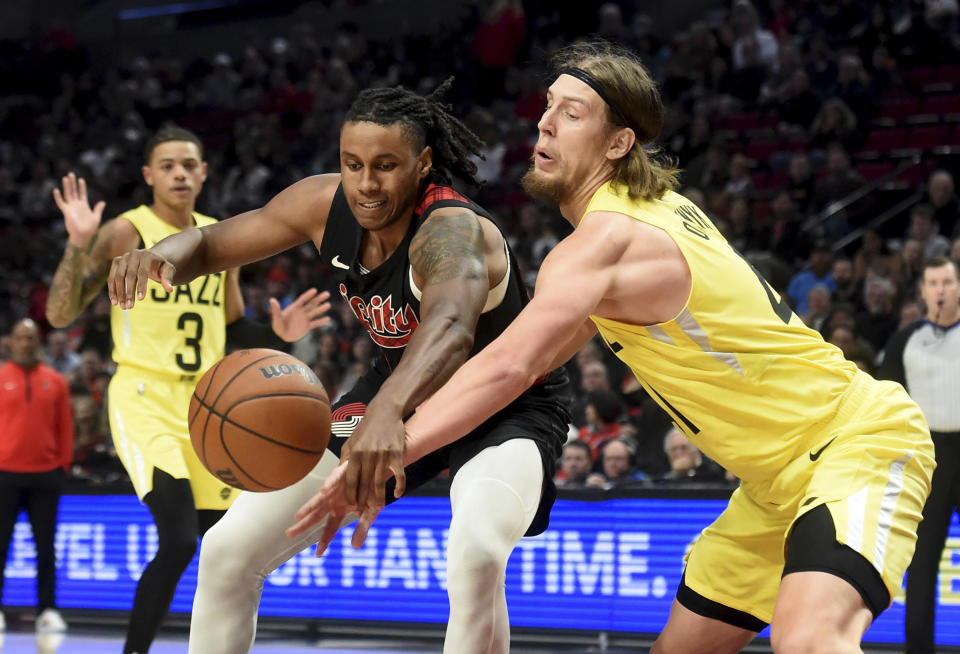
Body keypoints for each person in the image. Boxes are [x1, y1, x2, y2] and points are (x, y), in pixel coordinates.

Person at [298, 41, 936, 654]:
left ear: (618, 142)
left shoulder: (605, 243)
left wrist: (386, 451)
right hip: (773, 486)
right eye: (547, 106)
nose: (545, 124)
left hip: (856, 442)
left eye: (571, 114)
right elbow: (525, 364)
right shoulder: (651, 214)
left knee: (810, 639)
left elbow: (509, 364)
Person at [106, 82, 570, 654]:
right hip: (395, 390)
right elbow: (208, 244)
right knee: (227, 551)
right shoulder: (323, 206)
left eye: (385, 166)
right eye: (353, 165)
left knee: (476, 551)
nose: (366, 183)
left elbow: (450, 330)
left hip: (507, 407)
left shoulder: (452, 232)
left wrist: (387, 411)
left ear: (423, 163)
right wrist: (162, 255)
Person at [44, 125, 330, 654]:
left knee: (225, 545)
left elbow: (232, 328)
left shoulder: (216, 238)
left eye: (189, 164)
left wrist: (279, 335)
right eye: (168, 165)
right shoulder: (128, 231)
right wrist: (79, 241)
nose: (180, 172)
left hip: (206, 406)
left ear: (203, 173)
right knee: (177, 540)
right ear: (149, 175)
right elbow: (60, 314)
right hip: (143, 397)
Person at [879, 256, 960, 654]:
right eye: (934, 283)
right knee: (922, 561)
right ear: (923, 291)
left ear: (958, 286)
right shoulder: (903, 341)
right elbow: (888, 403)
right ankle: (918, 649)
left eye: (947, 281)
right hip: (927, 455)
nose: (941, 290)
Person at [0, 319, 73, 635]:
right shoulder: (0, 378)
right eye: (20, 337)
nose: (26, 343)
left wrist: (62, 465)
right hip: (5, 474)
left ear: (37, 341)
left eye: (31, 337)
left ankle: (47, 610)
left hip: (46, 475)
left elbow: (65, 427)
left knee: (46, 548)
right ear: (11, 342)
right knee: (0, 546)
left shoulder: (55, 381)